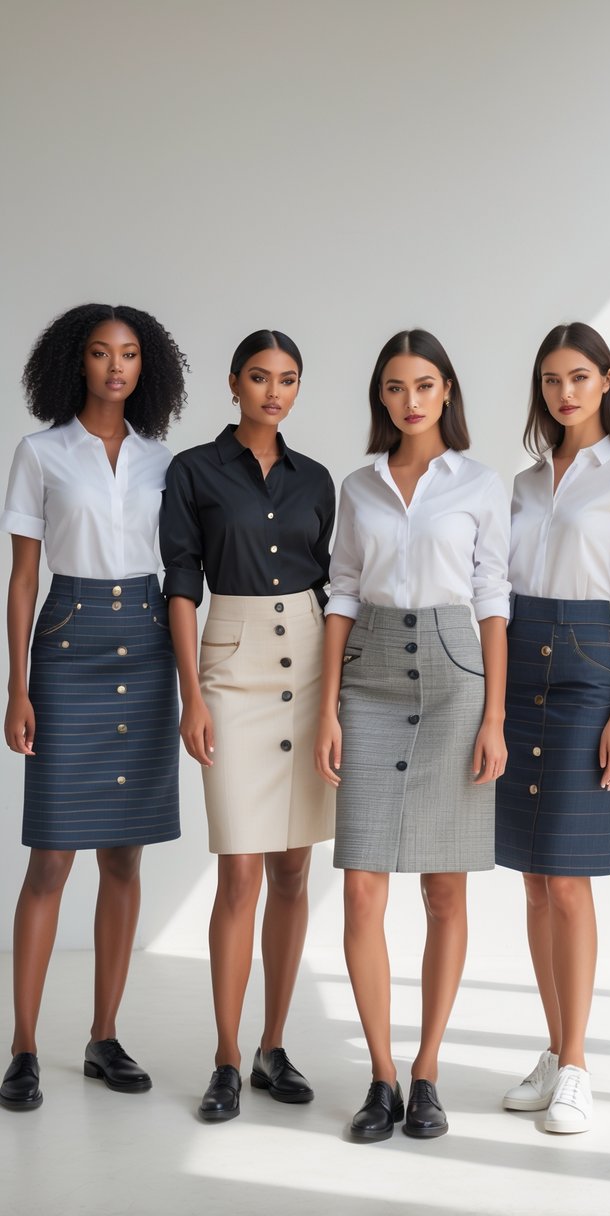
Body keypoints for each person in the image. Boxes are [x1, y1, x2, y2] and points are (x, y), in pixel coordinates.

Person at [315, 329, 510, 1141]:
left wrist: (494, 713)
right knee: (362, 882)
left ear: (447, 391)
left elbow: (492, 594)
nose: (411, 400)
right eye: (395, 387)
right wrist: (325, 705)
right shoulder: (357, 487)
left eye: (424, 384)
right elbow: (343, 592)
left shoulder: (480, 484)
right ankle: (382, 1077)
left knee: (443, 887)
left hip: (455, 680)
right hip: (367, 680)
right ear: (381, 399)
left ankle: (426, 1070)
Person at [0, 303, 188, 1111]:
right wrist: (17, 686)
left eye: (131, 354)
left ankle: (103, 1037)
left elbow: (182, 575)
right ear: (76, 362)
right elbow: (22, 579)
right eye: (103, 353)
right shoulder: (41, 453)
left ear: (147, 369)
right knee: (50, 860)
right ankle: (24, 1047)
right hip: (69, 646)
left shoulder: (164, 462)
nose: (117, 367)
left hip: (146, 648)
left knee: (125, 858)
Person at [161, 329, 335, 1122]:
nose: (274, 391)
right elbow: (181, 582)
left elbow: (337, 592)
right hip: (229, 669)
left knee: (294, 871)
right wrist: (192, 693)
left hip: (305, 664)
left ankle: (272, 1046)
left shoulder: (317, 480)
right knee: (238, 871)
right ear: (233, 384)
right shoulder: (193, 471)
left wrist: (335, 696)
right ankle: (226, 1057)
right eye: (260, 377)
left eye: (288, 379)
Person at [496, 322, 610, 1133]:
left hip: (590, 662)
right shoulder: (523, 483)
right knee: (529, 874)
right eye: (551, 380)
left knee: (568, 878)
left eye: (578, 377)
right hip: (518, 656)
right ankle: (556, 1047)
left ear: (604, 381)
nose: (564, 391)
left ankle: (579, 1066)